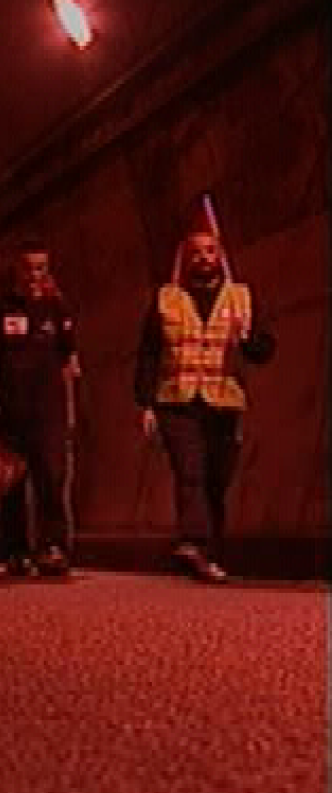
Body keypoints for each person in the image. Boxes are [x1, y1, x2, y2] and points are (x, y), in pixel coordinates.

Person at [134, 227, 273, 583]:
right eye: (196, 253)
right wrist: (145, 403)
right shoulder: (167, 299)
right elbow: (149, 353)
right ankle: (193, 541)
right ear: (185, 258)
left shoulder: (241, 299)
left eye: (209, 252)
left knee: (215, 480)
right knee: (189, 471)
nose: (203, 259)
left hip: (224, 402)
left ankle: (210, 554)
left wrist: (247, 337)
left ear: (219, 256)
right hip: (176, 400)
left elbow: (263, 352)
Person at [0, 243, 77, 576]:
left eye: (41, 268)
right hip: (11, 406)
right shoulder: (0, 307)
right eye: (29, 268)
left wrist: (71, 407)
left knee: (51, 476)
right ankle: (16, 549)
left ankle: (53, 546)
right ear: (18, 271)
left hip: (49, 407)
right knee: (13, 481)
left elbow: (68, 360)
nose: (35, 275)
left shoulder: (56, 308)